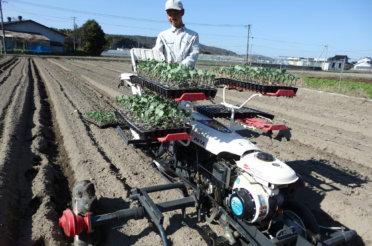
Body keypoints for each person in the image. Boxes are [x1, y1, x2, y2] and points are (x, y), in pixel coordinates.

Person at [153, 0, 199, 68]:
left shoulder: (193, 36)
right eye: (169, 14)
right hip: (166, 74)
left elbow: (193, 55)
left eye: (175, 13)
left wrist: (179, 70)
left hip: (186, 74)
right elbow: (157, 53)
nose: (172, 17)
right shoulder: (162, 35)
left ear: (182, 12)